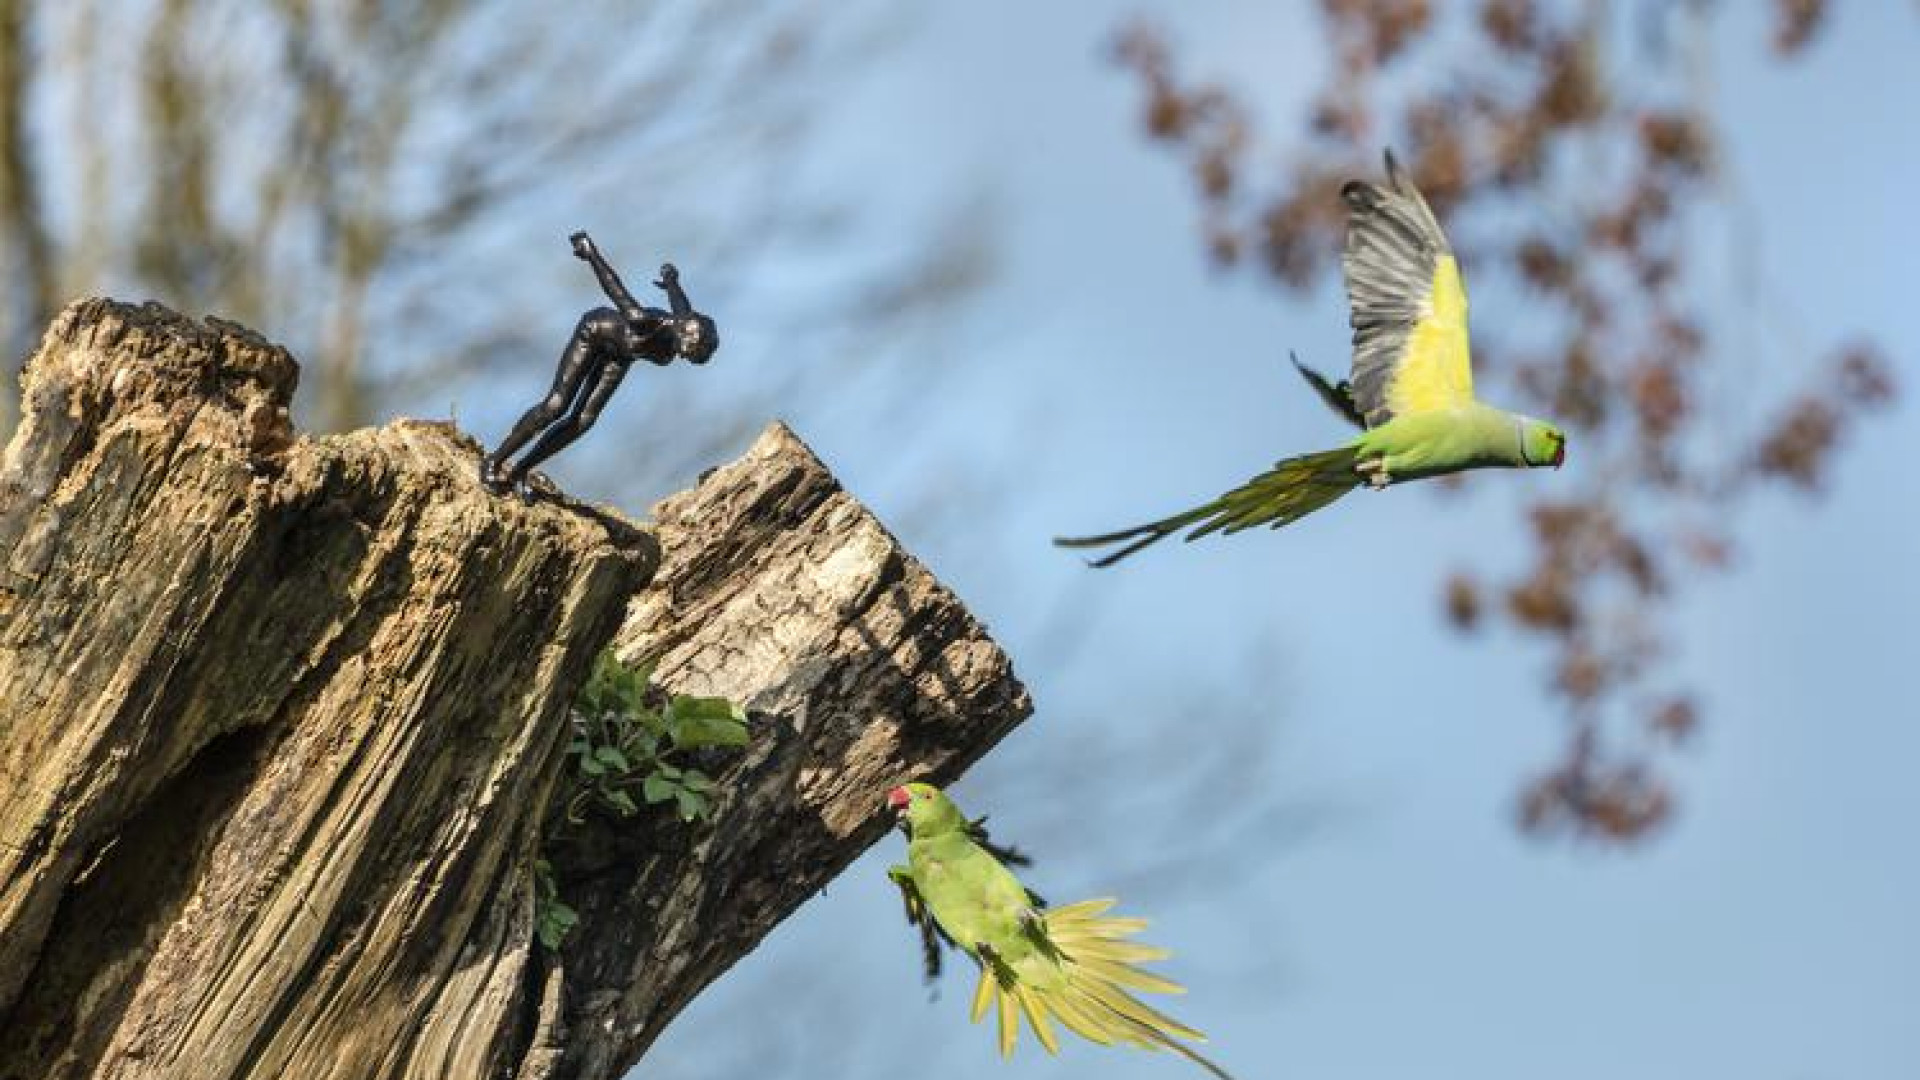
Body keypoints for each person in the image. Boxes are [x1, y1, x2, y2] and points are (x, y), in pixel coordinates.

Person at [480, 231, 718, 501]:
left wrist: (671, 281)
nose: (682, 356)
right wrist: (591, 253)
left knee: (582, 422)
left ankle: (519, 471)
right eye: (687, 351)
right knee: (556, 407)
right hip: (595, 334)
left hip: (619, 357)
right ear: (682, 334)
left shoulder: (678, 332)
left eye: (689, 356)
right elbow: (614, 288)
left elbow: (681, 308)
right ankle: (494, 461)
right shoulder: (643, 321)